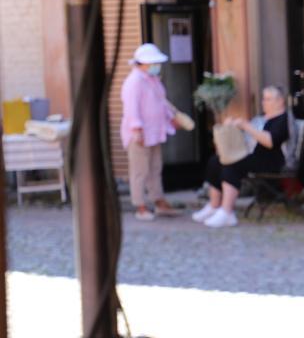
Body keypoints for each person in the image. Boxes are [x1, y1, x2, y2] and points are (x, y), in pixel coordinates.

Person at [192, 86, 290, 228]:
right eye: (263, 99)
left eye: (268, 99)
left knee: (233, 163)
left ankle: (227, 211)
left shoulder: (284, 120)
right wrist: (232, 127)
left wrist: (246, 126)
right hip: (253, 156)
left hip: (272, 161)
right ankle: (214, 205)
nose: (264, 102)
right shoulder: (261, 118)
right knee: (216, 160)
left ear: (280, 101)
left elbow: (270, 142)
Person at [120, 43, 180, 221]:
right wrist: (136, 129)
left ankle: (159, 201)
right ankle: (140, 205)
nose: (156, 66)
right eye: (153, 63)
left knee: (155, 168)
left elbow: (161, 103)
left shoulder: (152, 80)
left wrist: (171, 118)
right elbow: (131, 108)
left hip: (154, 132)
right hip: (140, 133)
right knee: (139, 170)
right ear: (143, 63)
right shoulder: (134, 81)